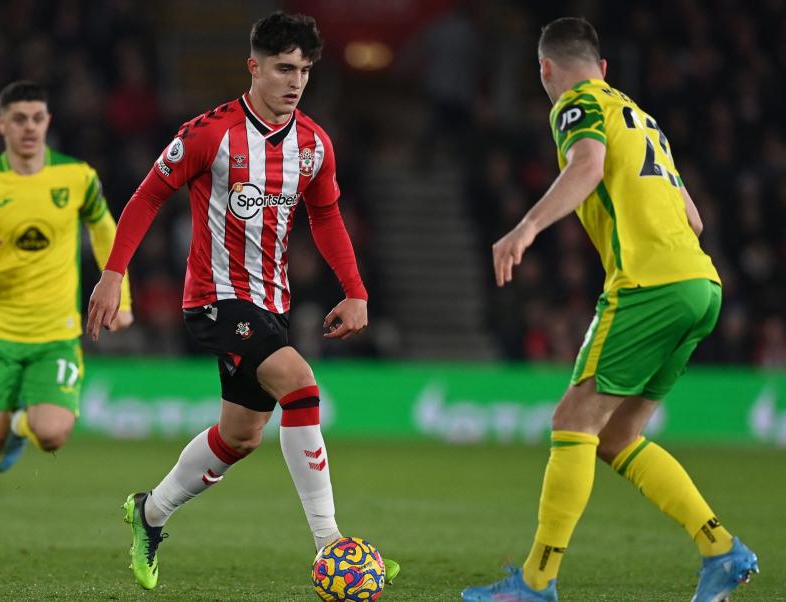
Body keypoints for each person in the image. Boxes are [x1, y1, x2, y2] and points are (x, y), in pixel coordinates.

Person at [86, 11, 399, 591]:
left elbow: (325, 214)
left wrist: (355, 290)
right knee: (302, 386)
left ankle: (149, 513)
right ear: (254, 67)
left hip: (270, 303)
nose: (295, 81)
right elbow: (147, 196)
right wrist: (112, 274)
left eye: (304, 70)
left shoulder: (314, 145)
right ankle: (333, 545)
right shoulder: (210, 133)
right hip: (214, 299)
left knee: (241, 436)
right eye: (284, 68)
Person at [460, 17, 759, 602]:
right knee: (618, 437)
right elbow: (694, 219)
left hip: (648, 285)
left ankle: (536, 583)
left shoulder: (576, 104)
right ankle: (721, 550)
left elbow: (588, 165)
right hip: (701, 285)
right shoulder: (643, 119)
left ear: (545, 69)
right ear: (603, 66)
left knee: (572, 423)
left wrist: (525, 228)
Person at [0, 80, 133, 562]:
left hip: (55, 336)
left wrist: (120, 296)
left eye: (38, 118)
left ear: (48, 122)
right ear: (1, 124)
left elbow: (106, 231)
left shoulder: (77, 178)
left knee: (52, 433)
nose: (29, 128)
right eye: (19, 119)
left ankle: (20, 434)